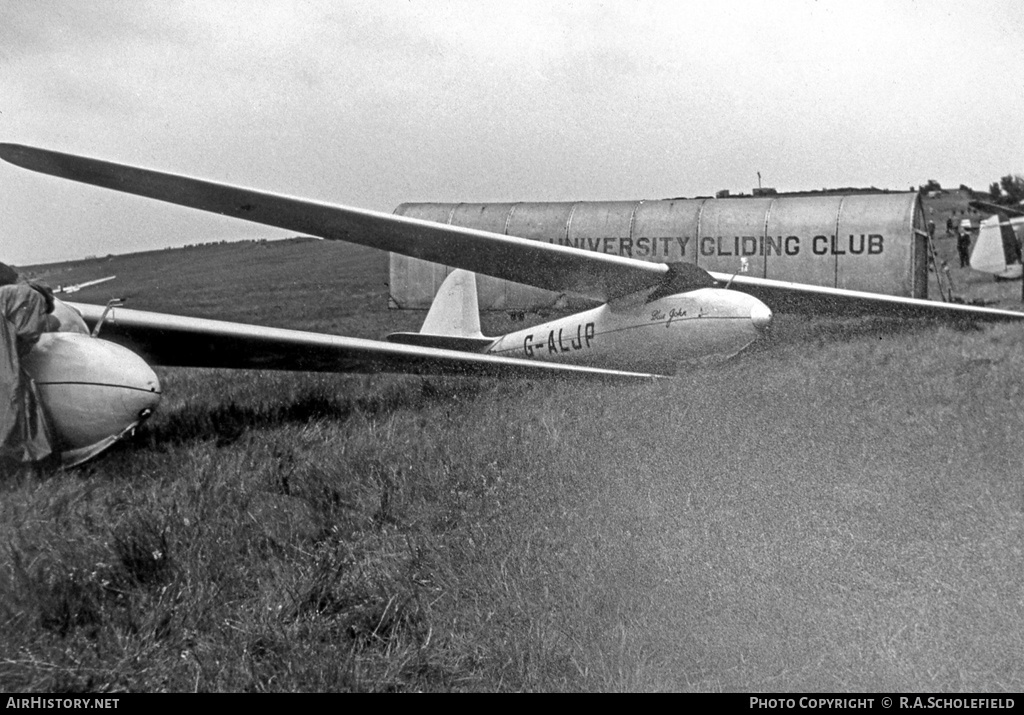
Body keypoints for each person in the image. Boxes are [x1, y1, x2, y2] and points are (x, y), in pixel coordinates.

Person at [0, 278, 58, 473]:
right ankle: (20, 463)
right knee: (14, 397)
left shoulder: (9, 292)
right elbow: (29, 332)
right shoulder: (33, 297)